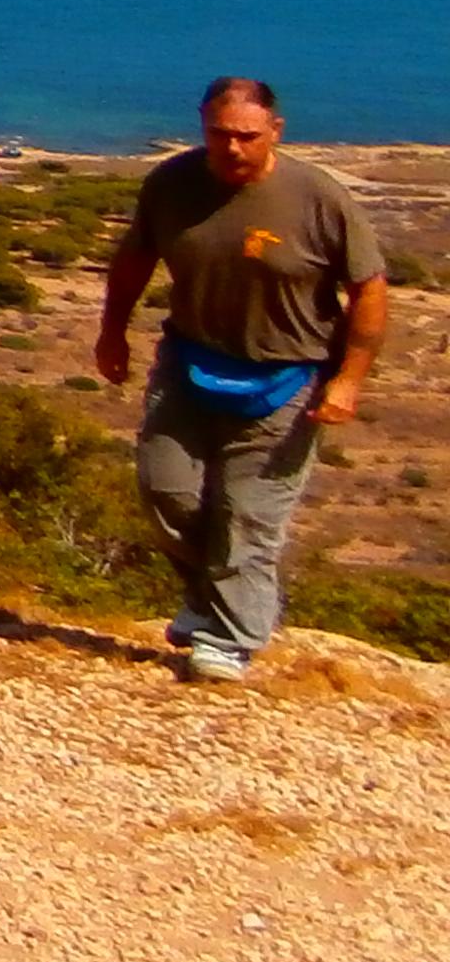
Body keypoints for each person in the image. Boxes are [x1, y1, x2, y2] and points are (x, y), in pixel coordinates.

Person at [94, 76, 392, 682]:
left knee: (247, 512)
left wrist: (349, 380)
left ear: (275, 132)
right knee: (166, 492)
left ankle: (230, 640)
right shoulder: (172, 183)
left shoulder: (318, 197)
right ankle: (208, 601)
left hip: (288, 378)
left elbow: (369, 289)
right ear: (203, 127)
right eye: (219, 134)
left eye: (246, 136)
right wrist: (111, 331)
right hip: (190, 362)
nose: (231, 148)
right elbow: (134, 260)